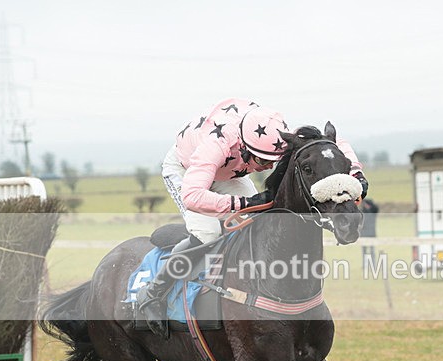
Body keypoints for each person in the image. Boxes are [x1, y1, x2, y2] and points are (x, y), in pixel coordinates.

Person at [137, 97, 369, 337]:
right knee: (207, 232)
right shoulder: (216, 145)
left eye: (272, 159)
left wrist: (357, 173)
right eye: (262, 160)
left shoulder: (274, 133)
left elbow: (330, 142)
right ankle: (152, 294)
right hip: (187, 171)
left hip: (228, 172)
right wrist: (242, 203)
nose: (268, 167)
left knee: (260, 220)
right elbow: (193, 196)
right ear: (245, 148)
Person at [359, 197, 379, 268]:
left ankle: (373, 264)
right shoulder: (362, 212)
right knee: (364, 251)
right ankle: (365, 265)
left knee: (371, 251)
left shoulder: (372, 212)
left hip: (371, 234)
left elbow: (376, 208)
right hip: (364, 234)